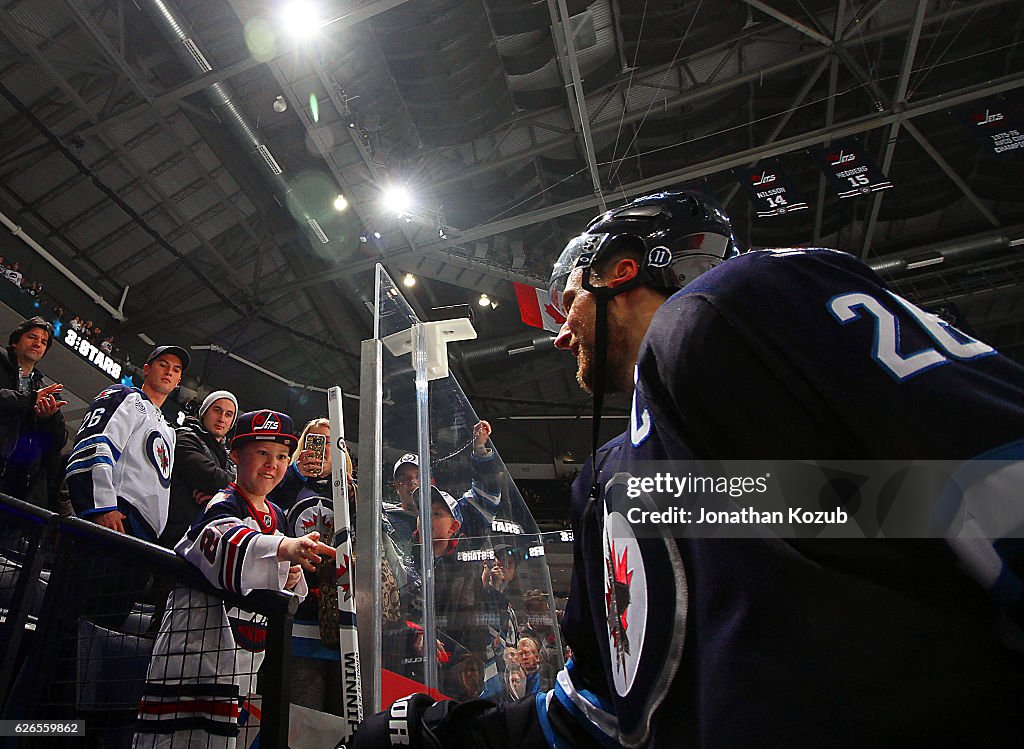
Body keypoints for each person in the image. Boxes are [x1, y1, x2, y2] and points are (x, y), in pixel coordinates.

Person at [352, 190, 1024, 748]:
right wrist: (454, 734)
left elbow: (990, 471)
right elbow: (613, 711)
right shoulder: (611, 478)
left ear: (621, 270)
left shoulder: (738, 301)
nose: (560, 334)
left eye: (569, 304)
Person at [135, 409, 334, 748]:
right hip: (192, 659)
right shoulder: (223, 503)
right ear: (235, 455)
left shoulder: (277, 517)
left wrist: (290, 575)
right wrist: (286, 549)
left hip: (241, 664)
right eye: (262, 453)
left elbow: (284, 583)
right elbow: (226, 546)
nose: (273, 463)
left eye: (283, 455)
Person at [66, 345, 188, 541]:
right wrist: (100, 507)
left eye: (175, 370)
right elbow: (94, 446)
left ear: (178, 382)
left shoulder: (169, 431)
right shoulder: (125, 396)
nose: (168, 372)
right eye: (163, 365)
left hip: (145, 536)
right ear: (146, 369)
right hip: (116, 520)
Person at [0, 316, 67, 507]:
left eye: (43, 342)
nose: (38, 343)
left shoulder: (44, 389)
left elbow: (58, 441)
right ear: (15, 342)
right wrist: (30, 399)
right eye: (32, 337)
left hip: (17, 484)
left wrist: (48, 418)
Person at [160, 389, 238, 547]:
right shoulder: (184, 436)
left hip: (203, 539)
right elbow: (209, 475)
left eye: (228, 414)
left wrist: (219, 498)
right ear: (204, 413)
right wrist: (232, 490)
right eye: (217, 410)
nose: (222, 418)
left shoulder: (228, 457)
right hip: (173, 534)